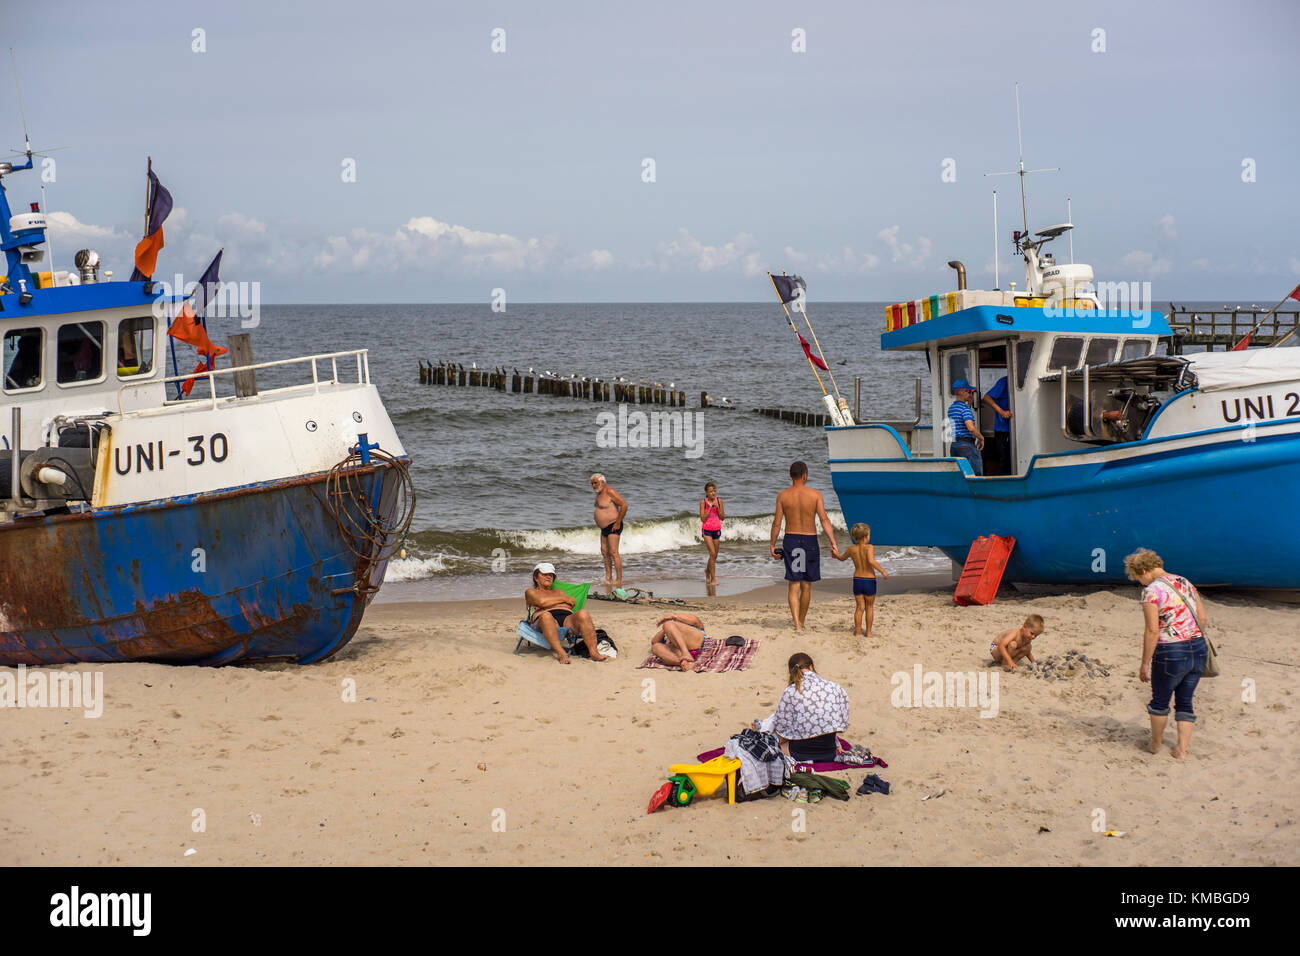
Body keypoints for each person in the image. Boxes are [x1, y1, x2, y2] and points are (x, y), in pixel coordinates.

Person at [1125, 548, 1207, 759]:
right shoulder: (1185, 581)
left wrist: (1144, 663)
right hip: (1197, 647)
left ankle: (1155, 744)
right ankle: (1181, 749)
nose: (1139, 582)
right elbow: (1202, 618)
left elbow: (1152, 630)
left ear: (1143, 570)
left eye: (1137, 578)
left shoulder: (1151, 591)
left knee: (1160, 700)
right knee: (1185, 700)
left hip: (1171, 650)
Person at [769, 460, 839, 630]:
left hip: (792, 541)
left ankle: (796, 623)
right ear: (805, 475)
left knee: (794, 584)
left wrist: (772, 544)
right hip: (809, 541)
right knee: (806, 584)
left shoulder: (783, 496)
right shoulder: (815, 495)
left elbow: (777, 523)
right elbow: (824, 520)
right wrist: (833, 542)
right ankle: (801, 621)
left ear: (790, 475)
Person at [523, 562, 607, 664]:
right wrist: (563, 599)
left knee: (583, 613)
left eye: (551, 575)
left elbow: (572, 602)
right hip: (545, 620)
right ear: (536, 578)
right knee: (546, 616)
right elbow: (542, 602)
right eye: (544, 574)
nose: (548, 577)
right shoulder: (531, 592)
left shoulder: (558, 592)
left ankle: (594, 653)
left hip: (567, 618)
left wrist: (551, 602)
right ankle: (561, 653)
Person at [772, 653, 850, 762]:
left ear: (791, 671)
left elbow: (783, 727)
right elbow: (841, 720)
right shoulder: (835, 687)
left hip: (799, 753)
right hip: (829, 753)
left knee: (774, 744)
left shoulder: (790, 691)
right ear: (812, 665)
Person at [832, 522, 889, 637]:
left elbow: (842, 558)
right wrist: (883, 571)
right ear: (865, 537)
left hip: (857, 580)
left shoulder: (851, 549)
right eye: (869, 535)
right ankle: (868, 632)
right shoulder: (869, 547)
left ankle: (858, 631)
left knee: (859, 607)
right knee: (869, 607)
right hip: (869, 581)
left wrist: (835, 554)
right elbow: (871, 561)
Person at [590, 473, 627, 586]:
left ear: (603, 482)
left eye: (595, 482)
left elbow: (624, 505)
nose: (593, 485)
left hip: (613, 525)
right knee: (605, 552)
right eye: (592, 483)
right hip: (604, 528)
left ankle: (619, 579)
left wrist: (618, 522)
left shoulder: (610, 491)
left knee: (614, 552)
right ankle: (608, 577)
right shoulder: (598, 494)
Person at [947, 379, 984, 476]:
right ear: (961, 392)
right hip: (966, 445)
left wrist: (969, 404)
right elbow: (970, 428)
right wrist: (981, 438)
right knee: (975, 473)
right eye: (969, 392)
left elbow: (959, 418)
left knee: (960, 474)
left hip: (955, 445)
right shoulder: (964, 409)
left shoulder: (951, 408)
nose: (971, 395)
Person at [981, 375, 1013, 475]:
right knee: (1005, 460)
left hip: (1016, 429)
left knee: (1010, 460)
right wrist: (1002, 412)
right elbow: (986, 397)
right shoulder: (1005, 381)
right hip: (1003, 429)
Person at [699, 482, 725, 584]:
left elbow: (722, 518)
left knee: (715, 556)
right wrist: (709, 508)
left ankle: (707, 570)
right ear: (706, 493)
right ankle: (713, 579)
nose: (713, 493)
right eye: (710, 491)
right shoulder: (703, 502)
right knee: (712, 553)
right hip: (707, 530)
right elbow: (702, 519)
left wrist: (717, 508)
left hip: (717, 529)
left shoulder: (719, 501)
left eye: (714, 491)